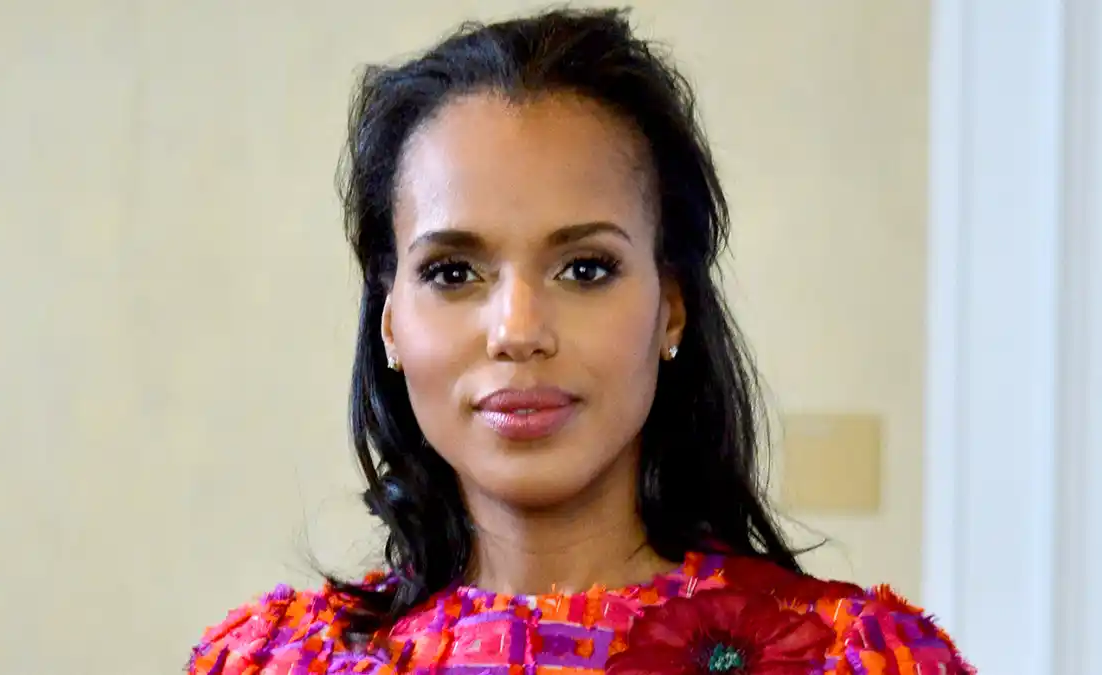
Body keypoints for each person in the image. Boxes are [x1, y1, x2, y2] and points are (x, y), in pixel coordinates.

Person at [186, 8, 972, 675]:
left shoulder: (858, 658)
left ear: (671, 305)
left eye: (585, 267)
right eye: (454, 271)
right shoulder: (272, 660)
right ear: (389, 318)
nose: (519, 330)